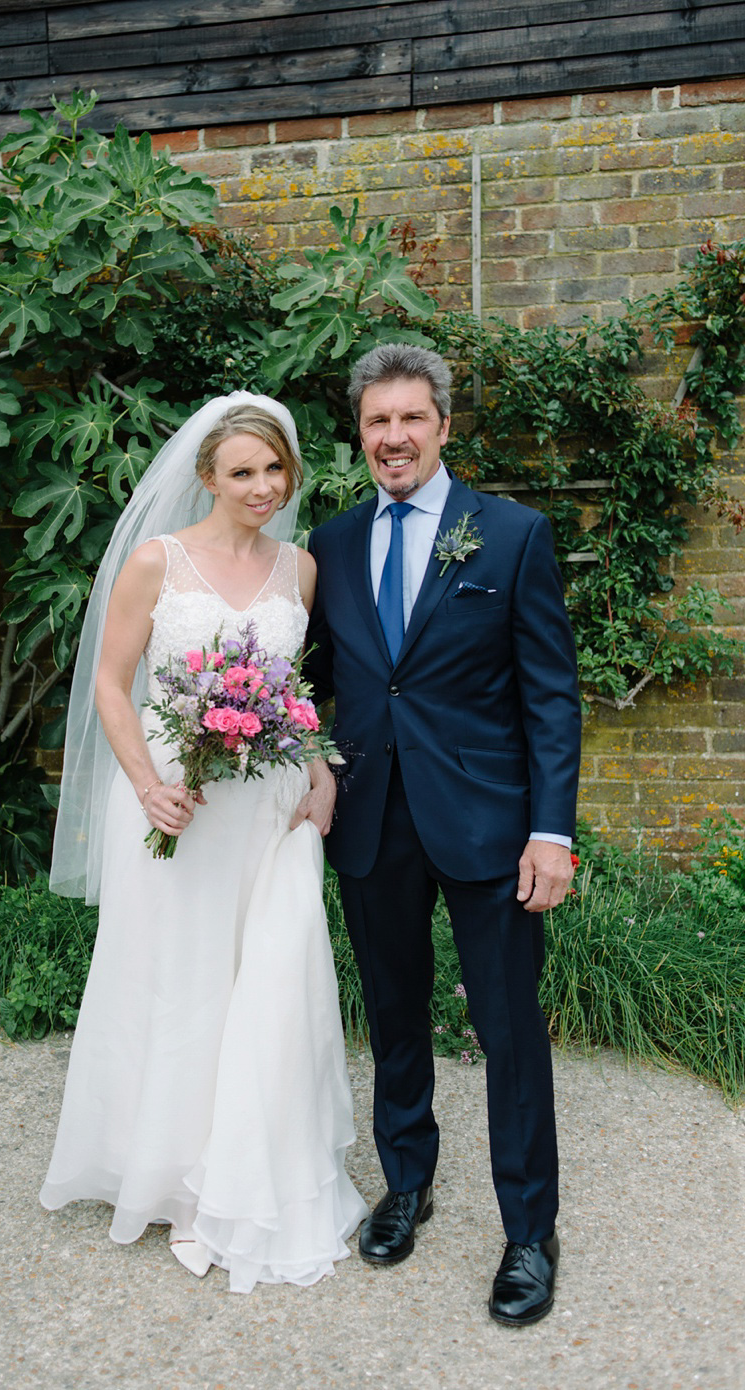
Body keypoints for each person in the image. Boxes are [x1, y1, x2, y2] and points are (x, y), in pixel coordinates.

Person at [41, 391, 366, 1293]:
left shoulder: (299, 570)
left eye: (274, 470)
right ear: (207, 478)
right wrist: (148, 784)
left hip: (269, 808)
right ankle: (175, 1174)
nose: (262, 487)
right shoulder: (158, 562)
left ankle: (256, 1167)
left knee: (271, 975)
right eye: (242, 472)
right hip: (177, 803)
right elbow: (110, 684)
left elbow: (295, 691)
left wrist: (322, 767)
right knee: (179, 982)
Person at [306, 344, 581, 1325]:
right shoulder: (331, 544)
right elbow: (315, 679)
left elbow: (551, 695)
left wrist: (553, 829)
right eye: (377, 421)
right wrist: (301, 754)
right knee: (393, 1015)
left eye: (410, 419)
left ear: (443, 425)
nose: (393, 437)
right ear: (362, 431)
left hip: (489, 823)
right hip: (371, 816)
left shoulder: (508, 537)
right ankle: (406, 1184)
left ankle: (530, 1232)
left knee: (508, 1029)